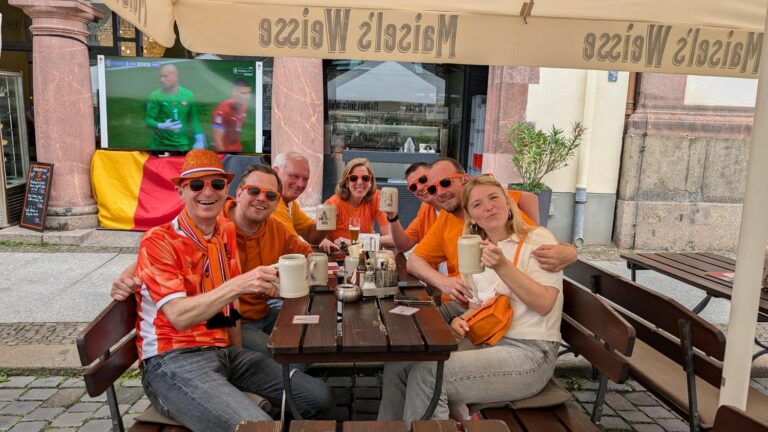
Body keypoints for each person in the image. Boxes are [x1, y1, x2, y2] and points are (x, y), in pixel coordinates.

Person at [131, 149, 332, 431]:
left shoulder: (224, 232)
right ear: (180, 191)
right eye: (197, 185)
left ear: (227, 190)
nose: (208, 192)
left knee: (319, 397)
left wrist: (241, 358)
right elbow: (178, 316)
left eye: (216, 184)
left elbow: (230, 311)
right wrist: (240, 284)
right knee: (258, 427)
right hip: (172, 361)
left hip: (224, 350)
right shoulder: (159, 240)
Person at [378, 175, 563, 424]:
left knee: (428, 375)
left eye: (494, 198)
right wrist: (461, 321)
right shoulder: (477, 250)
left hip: (530, 351)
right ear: (471, 216)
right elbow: (478, 307)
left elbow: (545, 304)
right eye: (477, 205)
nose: (488, 206)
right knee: (399, 365)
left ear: (508, 204)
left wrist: (502, 266)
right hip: (487, 341)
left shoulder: (536, 239)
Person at [112, 164, 314, 357]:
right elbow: (167, 247)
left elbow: (307, 255)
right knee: (291, 354)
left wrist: (282, 280)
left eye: (270, 195)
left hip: (262, 312)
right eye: (254, 191)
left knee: (311, 337)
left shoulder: (275, 228)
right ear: (239, 192)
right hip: (226, 324)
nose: (262, 198)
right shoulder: (216, 221)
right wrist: (127, 276)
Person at [406, 158, 576, 305]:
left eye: (445, 183)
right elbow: (414, 260)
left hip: (491, 312)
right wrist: (443, 282)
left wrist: (570, 252)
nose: (440, 192)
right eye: (433, 189)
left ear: (465, 179)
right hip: (466, 307)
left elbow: (535, 235)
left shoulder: (497, 212)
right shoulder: (445, 218)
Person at [318, 157, 393, 254]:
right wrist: (323, 241)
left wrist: (353, 242)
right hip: (338, 260)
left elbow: (392, 239)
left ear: (370, 182)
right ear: (346, 182)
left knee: (393, 250)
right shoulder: (332, 204)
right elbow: (316, 237)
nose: (360, 182)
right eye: (354, 178)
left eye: (365, 178)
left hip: (364, 260)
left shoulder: (377, 198)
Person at [145, 64, 205, 151]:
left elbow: (193, 119)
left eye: (165, 76)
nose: (162, 80)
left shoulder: (188, 95)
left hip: (182, 145)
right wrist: (161, 125)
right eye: (160, 76)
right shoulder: (155, 95)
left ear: (175, 77)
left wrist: (199, 139)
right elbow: (148, 121)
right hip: (160, 146)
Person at [270, 152, 326, 244]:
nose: (301, 184)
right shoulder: (271, 200)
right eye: (294, 176)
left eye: (305, 179)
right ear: (276, 172)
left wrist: (326, 219)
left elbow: (310, 234)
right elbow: (292, 246)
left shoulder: (290, 203)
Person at [211, 78, 251, 152]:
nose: (247, 97)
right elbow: (217, 139)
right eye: (243, 93)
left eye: (248, 93)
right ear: (234, 92)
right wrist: (226, 158)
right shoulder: (222, 111)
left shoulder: (244, 107)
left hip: (237, 150)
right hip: (225, 153)